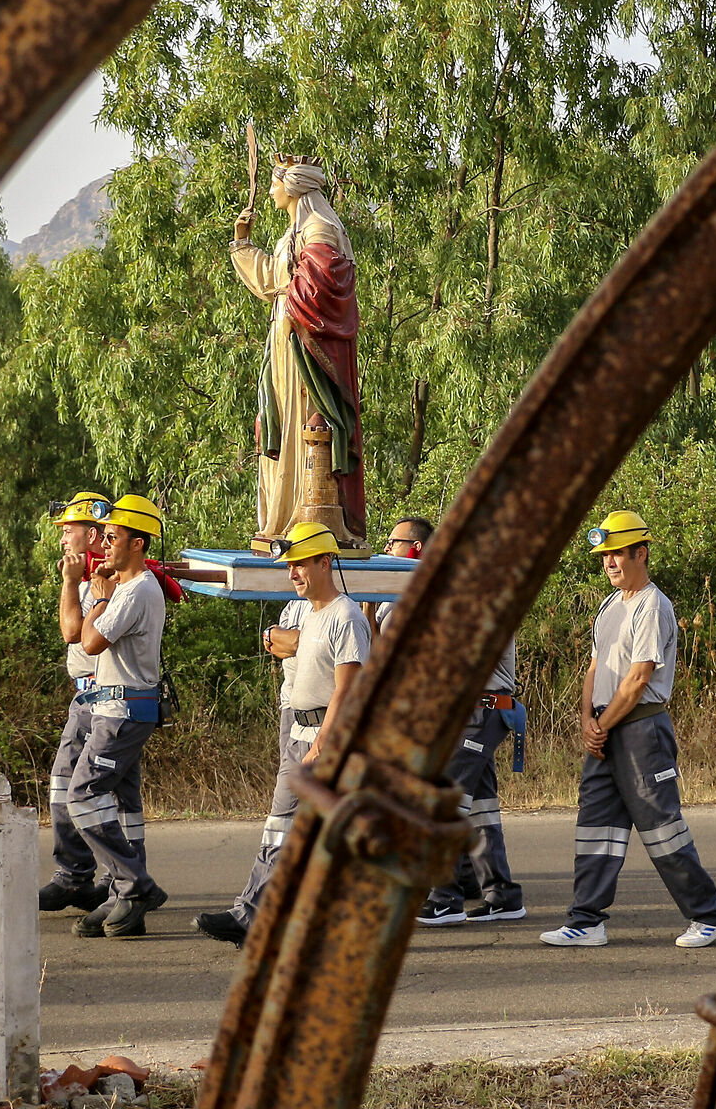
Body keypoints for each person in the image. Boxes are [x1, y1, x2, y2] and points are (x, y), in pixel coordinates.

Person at [540, 511, 716, 950]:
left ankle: (710, 915)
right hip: (606, 728)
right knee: (596, 827)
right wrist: (587, 719)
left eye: (617, 554)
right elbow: (594, 667)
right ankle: (586, 921)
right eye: (604, 556)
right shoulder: (610, 606)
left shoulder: (652, 604)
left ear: (641, 553)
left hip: (640, 730)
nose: (608, 563)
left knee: (663, 828)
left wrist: (600, 726)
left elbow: (639, 677)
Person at [195, 521, 370, 946]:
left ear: (326, 562)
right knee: (296, 832)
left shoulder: (345, 617)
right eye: (290, 565)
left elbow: (349, 690)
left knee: (301, 832)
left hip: (324, 739)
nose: (292, 573)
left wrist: (322, 744)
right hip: (303, 734)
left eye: (300, 564)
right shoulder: (311, 616)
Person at [393, 516, 524, 928]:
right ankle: (501, 895)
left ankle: (444, 897)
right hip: (472, 714)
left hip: (480, 711)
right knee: (481, 808)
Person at [231, 155, 365, 545]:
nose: (270, 191)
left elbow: (324, 283)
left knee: (302, 423)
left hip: (303, 341)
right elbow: (273, 279)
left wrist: (292, 307)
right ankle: (283, 515)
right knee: (280, 420)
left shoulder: (318, 226)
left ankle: (305, 519)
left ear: (292, 187)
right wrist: (242, 241)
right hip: (284, 337)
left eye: (275, 184)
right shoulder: (294, 232)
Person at [64, 495, 171, 938]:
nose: (104, 546)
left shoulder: (136, 590)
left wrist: (101, 599)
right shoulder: (129, 588)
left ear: (138, 544)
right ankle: (121, 897)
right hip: (114, 707)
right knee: (119, 804)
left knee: (82, 795)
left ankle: (134, 884)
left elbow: (87, 642)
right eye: (104, 537)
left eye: (113, 537)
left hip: (123, 710)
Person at [41, 494, 117, 913]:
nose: (63, 539)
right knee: (62, 785)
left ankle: (116, 881)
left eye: (69, 531)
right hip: (83, 695)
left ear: (92, 534)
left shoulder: (110, 581)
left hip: (107, 697)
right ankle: (75, 876)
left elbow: (72, 633)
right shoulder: (88, 582)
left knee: (99, 791)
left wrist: (70, 583)